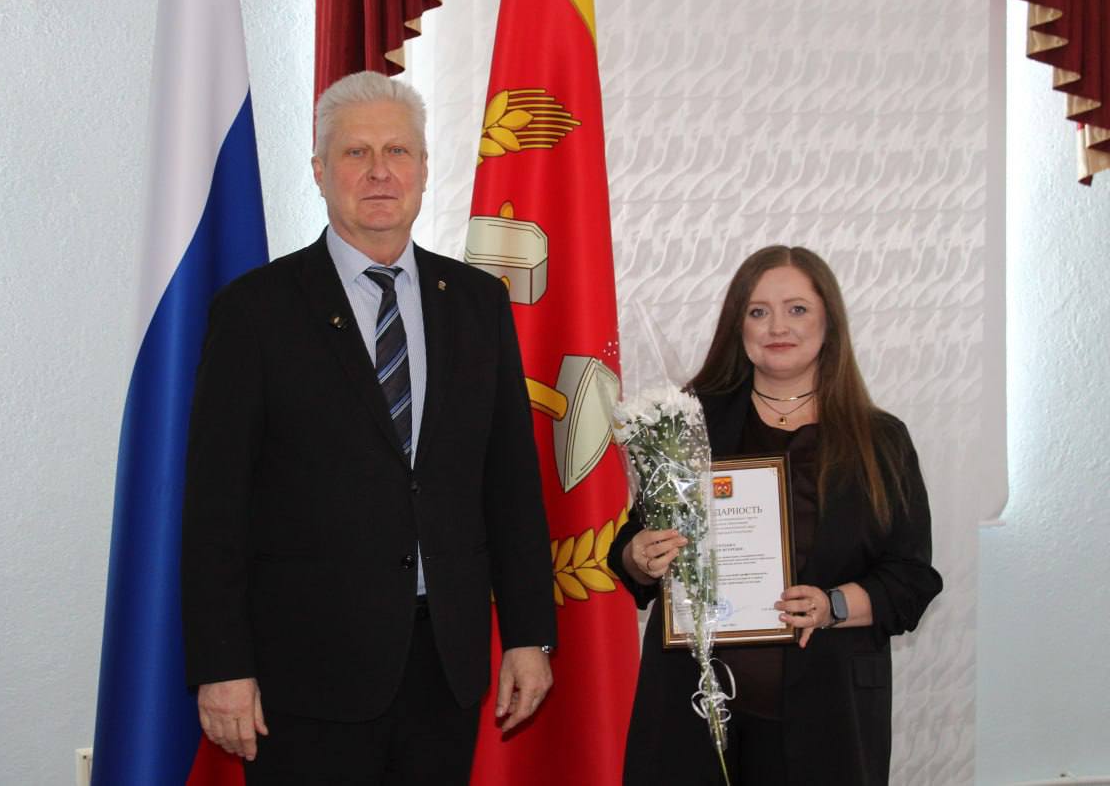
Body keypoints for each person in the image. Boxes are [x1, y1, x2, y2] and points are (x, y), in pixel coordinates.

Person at [180, 71, 556, 785]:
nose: (380, 171)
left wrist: (529, 635)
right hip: (305, 676)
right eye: (356, 153)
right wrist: (222, 664)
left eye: (397, 151)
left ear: (423, 168)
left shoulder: (476, 303)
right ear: (320, 171)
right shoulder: (255, 312)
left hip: (444, 666)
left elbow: (509, 483)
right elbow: (214, 505)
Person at [609, 245, 942, 786]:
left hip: (827, 716)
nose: (777, 327)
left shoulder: (879, 440)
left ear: (829, 323)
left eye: (797, 309)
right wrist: (639, 555)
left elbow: (911, 579)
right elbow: (631, 549)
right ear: (738, 325)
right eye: (758, 311)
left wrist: (833, 605)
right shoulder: (688, 422)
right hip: (692, 712)